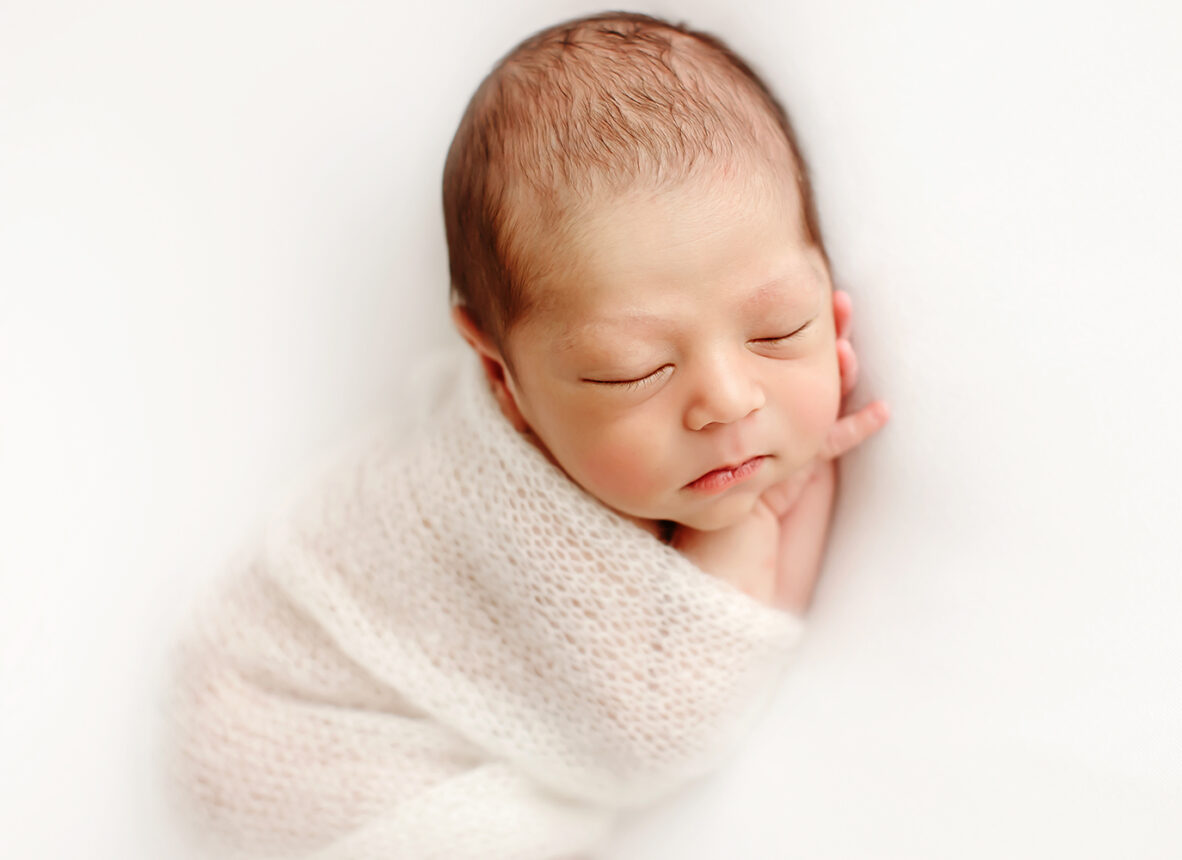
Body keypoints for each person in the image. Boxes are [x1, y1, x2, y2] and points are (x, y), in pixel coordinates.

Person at [165, 12, 889, 859]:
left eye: (778, 329)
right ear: (502, 378)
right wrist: (766, 515)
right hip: (305, 740)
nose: (728, 401)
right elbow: (663, 739)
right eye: (632, 372)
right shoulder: (511, 518)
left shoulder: (648, 435)